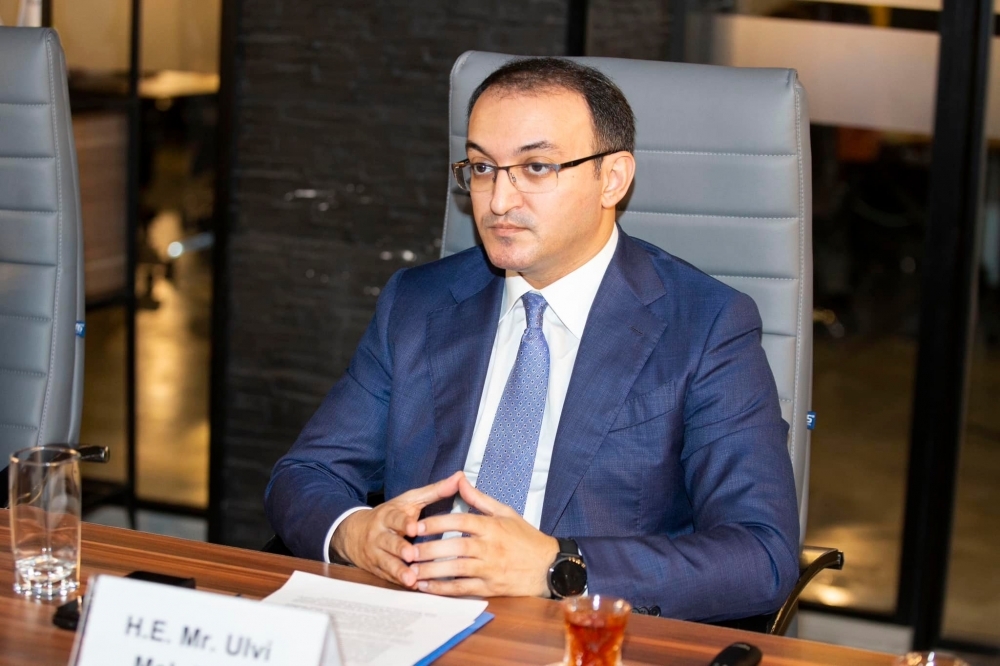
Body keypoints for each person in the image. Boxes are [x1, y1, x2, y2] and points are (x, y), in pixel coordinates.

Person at [265, 57, 799, 622]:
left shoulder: (706, 325)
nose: (498, 201)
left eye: (537, 167)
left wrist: (558, 566)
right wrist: (357, 533)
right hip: (414, 618)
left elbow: (760, 556)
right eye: (482, 167)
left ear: (612, 178)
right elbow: (305, 474)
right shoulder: (418, 303)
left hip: (578, 634)